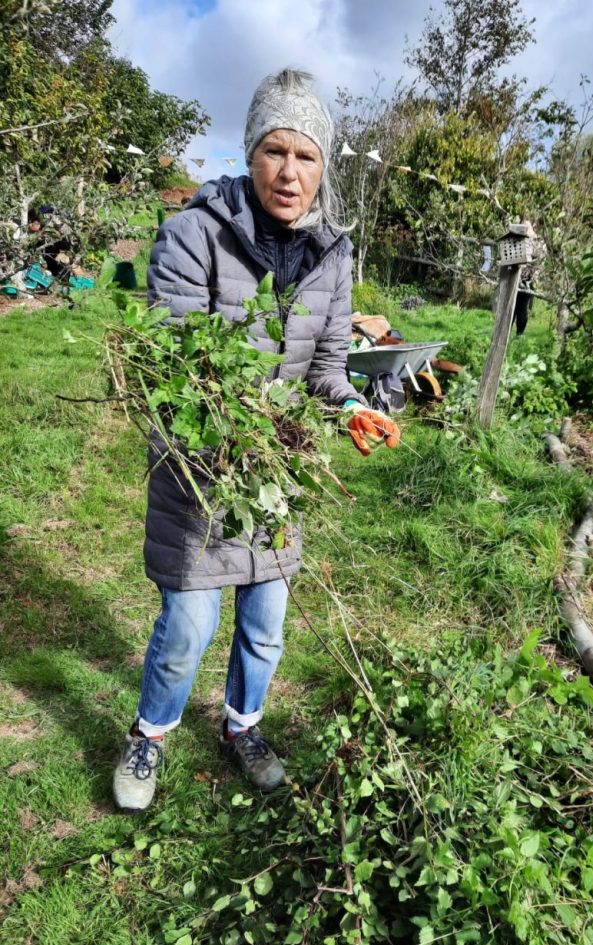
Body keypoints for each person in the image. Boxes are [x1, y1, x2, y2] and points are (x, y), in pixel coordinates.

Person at [113, 68, 401, 814]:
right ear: (250, 152)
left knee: (266, 625)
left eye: (307, 156)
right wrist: (241, 428)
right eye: (276, 150)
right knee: (189, 625)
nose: (290, 171)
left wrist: (349, 411)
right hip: (203, 472)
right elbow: (180, 363)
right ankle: (151, 730)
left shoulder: (332, 257)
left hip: (276, 476)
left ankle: (242, 727)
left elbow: (329, 371)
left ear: (324, 167)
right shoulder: (192, 236)